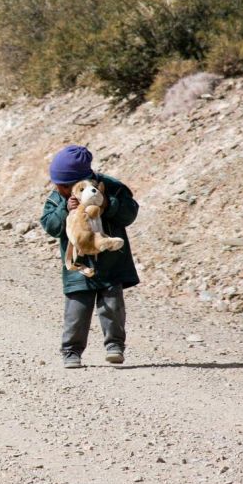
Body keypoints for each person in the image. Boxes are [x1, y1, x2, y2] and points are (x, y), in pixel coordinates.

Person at [39, 145, 140, 368]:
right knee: (76, 312)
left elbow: (130, 213)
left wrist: (107, 204)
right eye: (58, 184)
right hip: (79, 266)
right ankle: (71, 352)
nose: (59, 188)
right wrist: (64, 209)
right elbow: (50, 226)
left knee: (112, 307)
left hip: (111, 263)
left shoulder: (111, 187)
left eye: (64, 185)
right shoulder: (58, 197)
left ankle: (114, 347)